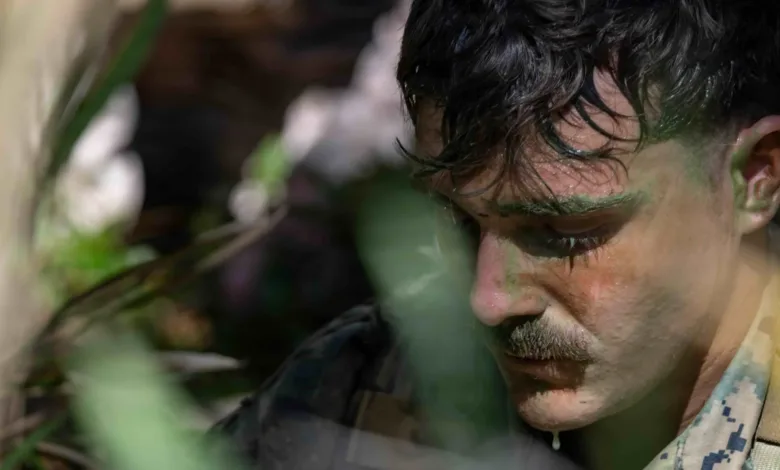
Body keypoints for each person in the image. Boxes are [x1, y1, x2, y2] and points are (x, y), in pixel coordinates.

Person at [213, 1, 780, 468]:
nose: (489, 300)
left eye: (561, 229)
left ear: (756, 177)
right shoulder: (358, 385)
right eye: (457, 220)